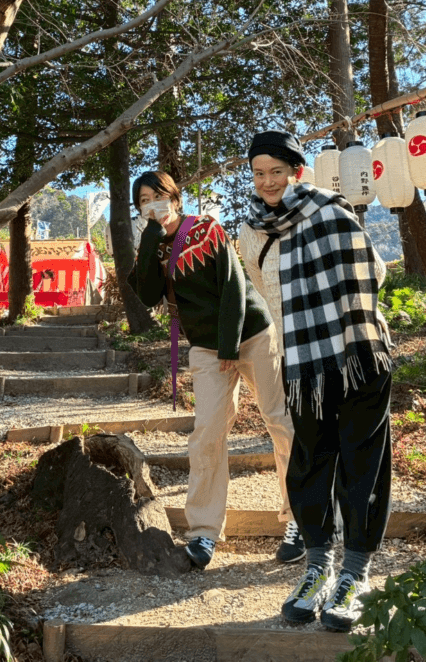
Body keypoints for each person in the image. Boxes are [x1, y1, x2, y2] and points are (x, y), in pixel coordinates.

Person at [239, 130, 392, 631]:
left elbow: (375, 271)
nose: (268, 182)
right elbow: (268, 295)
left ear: (296, 171)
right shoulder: (253, 232)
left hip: (359, 354)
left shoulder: (332, 209)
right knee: (308, 461)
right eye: (259, 173)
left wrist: (337, 318)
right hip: (303, 365)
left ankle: (355, 574)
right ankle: (317, 568)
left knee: (361, 462)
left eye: (277, 172)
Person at [127, 169, 303, 569]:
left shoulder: (206, 229)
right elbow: (149, 293)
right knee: (207, 433)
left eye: (159, 196)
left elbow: (233, 287)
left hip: (252, 333)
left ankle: (301, 518)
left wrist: (229, 344)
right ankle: (204, 532)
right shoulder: (152, 243)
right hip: (206, 347)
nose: (152, 205)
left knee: (279, 420)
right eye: (143, 201)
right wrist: (150, 237)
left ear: (175, 199)